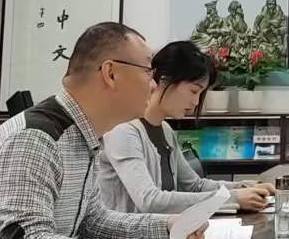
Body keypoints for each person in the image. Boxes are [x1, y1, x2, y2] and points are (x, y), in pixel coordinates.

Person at [0, 22, 211, 239]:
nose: (154, 84)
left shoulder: (82, 135)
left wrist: (166, 226)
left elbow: (91, 221)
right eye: (148, 71)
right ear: (111, 73)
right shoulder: (35, 139)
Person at [97, 41, 276, 214]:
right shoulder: (123, 131)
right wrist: (233, 198)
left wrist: (247, 187)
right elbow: (150, 201)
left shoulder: (165, 130)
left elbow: (195, 186)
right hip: (132, 235)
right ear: (164, 80)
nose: (196, 102)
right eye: (193, 91)